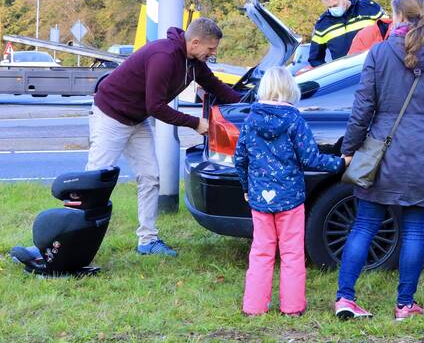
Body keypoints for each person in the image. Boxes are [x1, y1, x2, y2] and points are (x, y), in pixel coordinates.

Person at [335, 0, 424, 321]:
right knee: (415, 231)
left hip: (383, 151)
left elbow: (362, 108)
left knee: (363, 225)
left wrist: (350, 149)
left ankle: (346, 298)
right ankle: (405, 304)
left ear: (400, 17)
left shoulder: (378, 54)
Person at [86, 18, 241, 256]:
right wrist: (194, 123)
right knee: (95, 181)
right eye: (211, 48)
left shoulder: (193, 62)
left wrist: (250, 104)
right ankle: (74, 237)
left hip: (137, 120)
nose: (214, 52)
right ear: (196, 42)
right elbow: (156, 106)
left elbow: (216, 86)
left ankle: (147, 241)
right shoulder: (164, 56)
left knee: (150, 177)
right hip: (110, 117)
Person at [235, 67, 345, 317]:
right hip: (290, 198)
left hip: (260, 198)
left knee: (261, 251)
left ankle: (254, 307)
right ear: (289, 89)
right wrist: (340, 163)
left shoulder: (250, 120)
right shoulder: (294, 120)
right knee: (292, 253)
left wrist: (246, 187)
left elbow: (240, 158)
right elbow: (310, 157)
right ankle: (292, 307)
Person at [307, 0, 384, 67]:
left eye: (335, 5)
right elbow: (314, 59)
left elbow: (390, 31)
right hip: (347, 75)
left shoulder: (369, 8)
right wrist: (332, 70)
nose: (332, 9)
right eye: (329, 7)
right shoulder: (322, 25)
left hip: (377, 67)